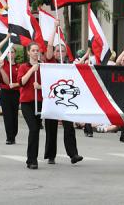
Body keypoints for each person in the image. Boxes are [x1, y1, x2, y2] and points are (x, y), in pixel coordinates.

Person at [44, 25, 83, 165]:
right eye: (57, 50)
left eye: (63, 50)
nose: (60, 53)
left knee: (69, 127)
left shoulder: (69, 65)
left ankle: (73, 154)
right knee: (51, 128)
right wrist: (54, 28)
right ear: (54, 52)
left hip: (66, 100)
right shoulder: (50, 61)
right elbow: (48, 47)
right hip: (52, 99)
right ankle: (50, 155)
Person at [17, 42, 43, 169]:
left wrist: (40, 87)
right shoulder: (23, 67)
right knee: (33, 128)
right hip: (27, 102)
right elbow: (21, 82)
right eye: (33, 50)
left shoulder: (43, 67)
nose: (35, 52)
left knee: (36, 130)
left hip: (39, 102)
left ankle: (33, 159)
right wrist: (32, 70)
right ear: (28, 52)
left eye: (37, 50)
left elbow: (50, 85)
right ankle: (31, 159)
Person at [0, 34, 20, 145]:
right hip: (5, 92)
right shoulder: (4, 62)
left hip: (15, 92)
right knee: (7, 115)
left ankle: (13, 134)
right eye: (9, 52)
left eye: (13, 52)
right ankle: (9, 137)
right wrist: (6, 38)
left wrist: (15, 85)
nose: (11, 54)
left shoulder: (19, 67)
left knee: (14, 115)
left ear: (15, 54)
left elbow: (21, 81)